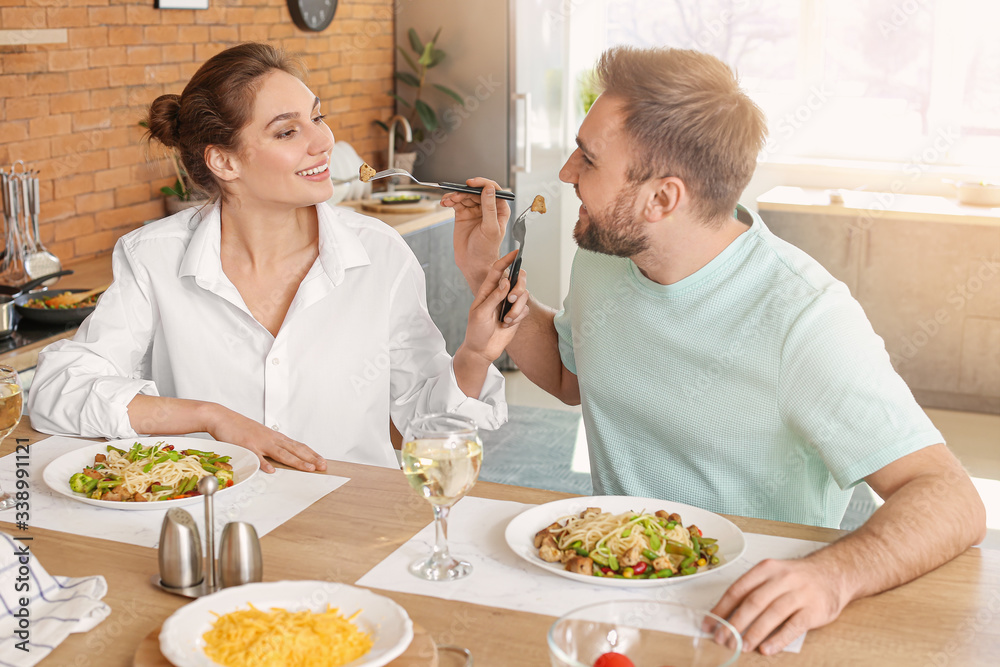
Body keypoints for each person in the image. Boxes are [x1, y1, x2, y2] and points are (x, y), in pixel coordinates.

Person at [443, 46, 986, 654]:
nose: (567, 172)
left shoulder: (806, 318)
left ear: (662, 199)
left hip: (742, 620)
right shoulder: (603, 258)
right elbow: (574, 374)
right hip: (612, 592)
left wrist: (832, 577)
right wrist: (487, 274)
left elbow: (950, 498)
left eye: (589, 159)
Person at [27, 42, 528, 474]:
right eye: (287, 132)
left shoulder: (378, 253)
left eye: (318, 117)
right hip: (212, 522)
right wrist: (208, 416)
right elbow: (56, 389)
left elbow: (430, 425)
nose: (324, 141)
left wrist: (476, 355)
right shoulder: (153, 258)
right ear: (223, 161)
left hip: (348, 525)